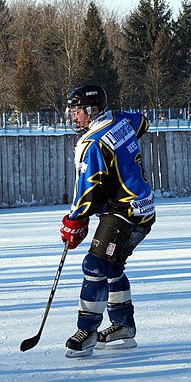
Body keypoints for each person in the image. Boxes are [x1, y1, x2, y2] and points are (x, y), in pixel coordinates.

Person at [60, 85, 155, 358]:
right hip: (141, 207)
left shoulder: (93, 144)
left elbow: (89, 189)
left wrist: (74, 219)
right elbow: (142, 122)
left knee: (95, 264)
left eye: (78, 111)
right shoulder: (121, 121)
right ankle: (123, 326)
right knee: (112, 267)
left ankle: (87, 331)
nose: (74, 117)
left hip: (126, 211)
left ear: (92, 110)